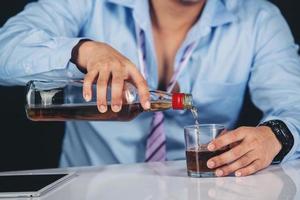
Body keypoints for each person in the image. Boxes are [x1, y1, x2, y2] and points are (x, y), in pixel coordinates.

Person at [0, 0, 299, 177]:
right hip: (87, 189)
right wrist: (83, 50)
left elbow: (294, 103)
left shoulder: (258, 18)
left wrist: (277, 135)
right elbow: (5, 48)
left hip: (202, 190)